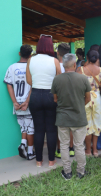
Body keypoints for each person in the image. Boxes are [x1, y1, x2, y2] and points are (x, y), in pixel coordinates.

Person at [51, 54, 91, 180]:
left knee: (64, 145)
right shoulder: (83, 78)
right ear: (75, 65)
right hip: (79, 117)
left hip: (62, 117)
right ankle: (81, 172)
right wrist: (79, 105)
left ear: (63, 64)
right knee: (79, 145)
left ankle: (67, 172)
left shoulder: (56, 79)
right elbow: (88, 98)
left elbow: (55, 99)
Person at [26, 35, 62, 167]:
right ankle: (51, 160)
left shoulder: (31, 60)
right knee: (52, 129)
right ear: (50, 46)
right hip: (50, 96)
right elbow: (58, 81)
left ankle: (39, 161)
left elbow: (29, 81)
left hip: (35, 95)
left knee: (38, 129)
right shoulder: (55, 61)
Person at [4, 45, 35, 160]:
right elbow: (33, 85)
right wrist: (27, 101)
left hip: (17, 103)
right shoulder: (31, 67)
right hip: (28, 103)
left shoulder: (11, 67)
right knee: (30, 128)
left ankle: (23, 143)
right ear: (30, 55)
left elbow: (9, 84)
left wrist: (14, 102)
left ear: (19, 53)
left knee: (23, 127)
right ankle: (30, 152)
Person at [77, 50, 101, 157]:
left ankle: (88, 150)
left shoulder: (80, 70)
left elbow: (77, 86)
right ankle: (95, 150)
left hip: (85, 98)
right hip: (97, 98)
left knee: (87, 124)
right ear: (97, 59)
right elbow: (100, 84)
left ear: (87, 58)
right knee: (96, 123)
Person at [55, 43, 75, 158]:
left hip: (60, 100)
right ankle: (71, 149)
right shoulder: (72, 67)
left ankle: (60, 150)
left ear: (58, 52)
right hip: (71, 98)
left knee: (60, 126)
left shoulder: (56, 65)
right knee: (71, 126)